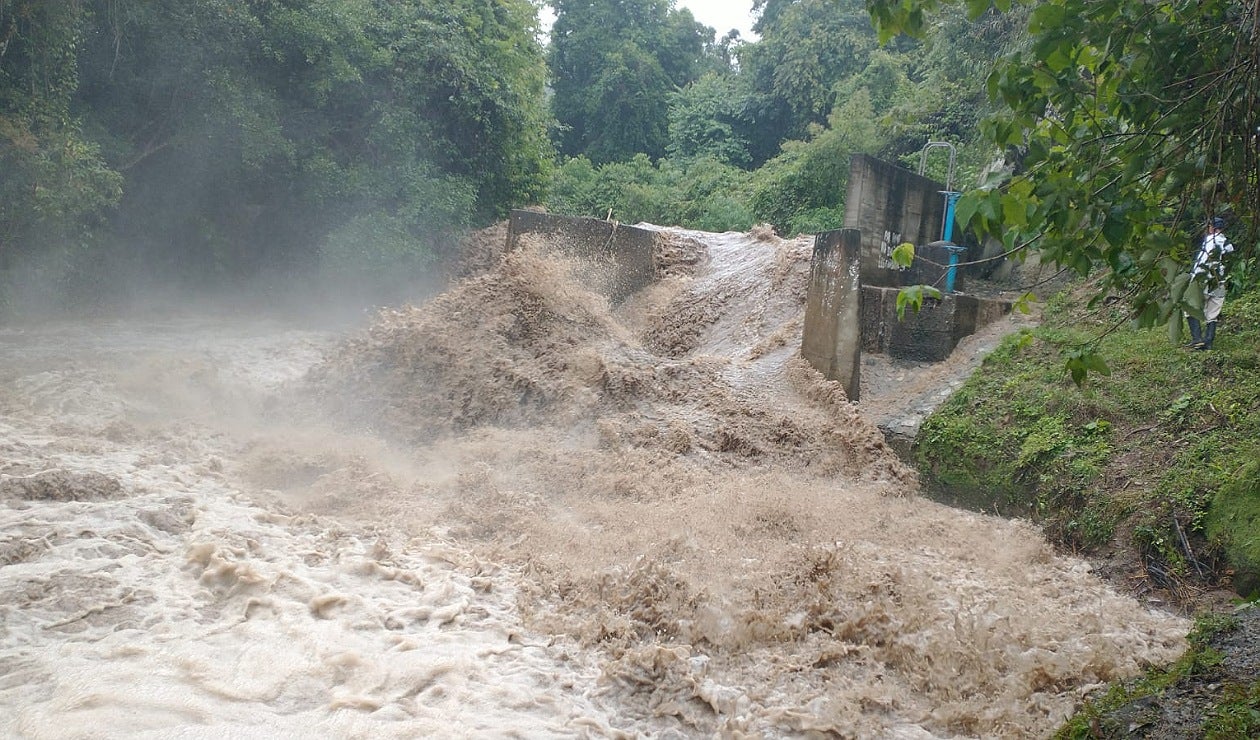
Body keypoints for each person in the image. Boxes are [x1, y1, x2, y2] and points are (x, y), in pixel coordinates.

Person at [1184, 216, 1235, 350]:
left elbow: (1203, 261)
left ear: (1212, 227)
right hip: (1220, 280)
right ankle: (1208, 343)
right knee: (1213, 312)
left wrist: (1194, 278)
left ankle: (1197, 339)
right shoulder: (1228, 243)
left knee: (1190, 307)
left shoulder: (1210, 240)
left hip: (1205, 278)